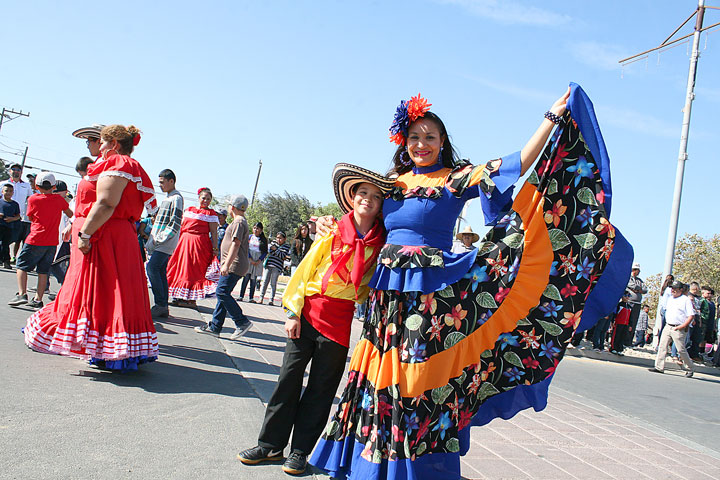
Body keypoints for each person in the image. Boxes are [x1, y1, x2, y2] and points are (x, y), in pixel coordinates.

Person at [309, 86, 633, 480]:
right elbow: (362, 221)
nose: (421, 144)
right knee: (379, 372)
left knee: (416, 378)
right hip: (386, 292)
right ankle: (369, 463)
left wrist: (549, 120)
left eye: (430, 137)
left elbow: (513, 164)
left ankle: (410, 468)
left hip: (431, 295)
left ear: (442, 142)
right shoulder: (391, 183)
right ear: (403, 142)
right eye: (414, 137)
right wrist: (330, 222)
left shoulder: (454, 179)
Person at [238, 166, 390, 475]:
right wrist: (293, 312)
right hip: (307, 313)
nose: (368, 200)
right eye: (362, 193)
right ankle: (270, 445)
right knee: (288, 379)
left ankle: (300, 451)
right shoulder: (332, 231)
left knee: (322, 387)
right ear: (352, 197)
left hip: (340, 320)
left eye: (376, 196)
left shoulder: (380, 243)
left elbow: (367, 286)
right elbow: (305, 271)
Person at [24, 124, 159, 371]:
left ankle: (110, 350)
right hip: (113, 235)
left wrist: (85, 233)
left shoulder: (119, 163)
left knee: (106, 291)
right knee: (108, 293)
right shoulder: (123, 165)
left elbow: (106, 203)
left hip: (107, 235)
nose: (99, 146)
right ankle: (109, 350)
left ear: (114, 144)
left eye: (103, 142)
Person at [8, 172, 73, 309]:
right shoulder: (59, 200)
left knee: (21, 266)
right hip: (52, 241)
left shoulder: (33, 199)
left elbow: (30, 217)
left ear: (37, 186)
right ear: (54, 186)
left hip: (35, 238)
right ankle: (38, 299)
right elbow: (70, 214)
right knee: (43, 271)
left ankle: (22, 294)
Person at [195, 195, 253, 339]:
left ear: (232, 207)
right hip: (233, 264)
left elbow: (236, 244)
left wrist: (226, 264)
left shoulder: (239, 222)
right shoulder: (238, 222)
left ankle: (241, 322)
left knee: (221, 292)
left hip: (234, 264)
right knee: (223, 294)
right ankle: (215, 326)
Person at [166, 187, 219, 306]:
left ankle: (191, 299)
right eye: (203, 198)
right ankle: (180, 296)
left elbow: (214, 232)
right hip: (184, 243)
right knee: (180, 268)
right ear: (199, 198)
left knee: (193, 271)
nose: (205, 201)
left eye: (208, 199)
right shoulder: (189, 210)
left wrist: (215, 248)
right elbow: (180, 226)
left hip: (199, 245)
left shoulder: (211, 214)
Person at [145, 169, 184, 318]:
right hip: (160, 241)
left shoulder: (176, 198)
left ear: (171, 181)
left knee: (152, 268)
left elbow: (175, 223)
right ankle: (162, 306)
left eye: (162, 182)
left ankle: (160, 304)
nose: (160, 185)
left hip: (165, 242)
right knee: (159, 271)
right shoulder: (169, 198)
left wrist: (160, 238)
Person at [650, 281, 695, 377]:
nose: (673, 290)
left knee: (680, 349)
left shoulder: (685, 300)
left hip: (678, 327)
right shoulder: (670, 299)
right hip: (668, 325)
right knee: (662, 346)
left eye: (675, 289)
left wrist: (682, 326)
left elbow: (691, 315)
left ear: (681, 290)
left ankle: (690, 368)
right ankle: (659, 366)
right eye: (672, 288)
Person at [0, 163, 33, 262]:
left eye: (18, 170)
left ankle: (7, 257)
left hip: (17, 218)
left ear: (21, 172)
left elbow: (31, 200)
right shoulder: (3, 184)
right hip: (2, 218)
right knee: (2, 240)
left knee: (13, 239)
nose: (16, 172)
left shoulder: (26, 185)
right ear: (10, 171)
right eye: (13, 169)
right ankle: (4, 259)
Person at [48, 180, 73, 288]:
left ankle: (64, 287)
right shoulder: (50, 202)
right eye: (54, 191)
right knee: (47, 263)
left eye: (58, 192)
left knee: (59, 264)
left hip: (64, 239)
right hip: (51, 236)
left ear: (65, 192)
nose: (55, 194)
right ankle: (45, 286)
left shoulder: (70, 204)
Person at [239, 222, 268, 302]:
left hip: (257, 260)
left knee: (253, 279)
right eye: (254, 228)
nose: (256, 230)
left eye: (257, 228)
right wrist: (250, 258)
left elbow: (265, 252)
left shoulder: (264, 240)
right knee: (246, 278)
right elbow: (245, 247)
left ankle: (251, 297)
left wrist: (259, 260)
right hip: (249, 259)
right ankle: (241, 296)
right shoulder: (249, 237)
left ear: (261, 230)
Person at [259, 231, 290, 306]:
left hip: (277, 266)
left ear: (284, 239)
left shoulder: (286, 246)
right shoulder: (273, 243)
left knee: (273, 283)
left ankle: (271, 299)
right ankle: (261, 297)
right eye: (277, 238)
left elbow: (282, 255)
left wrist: (276, 250)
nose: (278, 240)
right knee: (265, 282)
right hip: (269, 264)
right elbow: (270, 251)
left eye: (280, 238)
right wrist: (277, 251)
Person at [625, 262, 647, 347]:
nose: (637, 272)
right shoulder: (628, 278)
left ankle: (629, 341)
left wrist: (638, 290)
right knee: (627, 322)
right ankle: (624, 340)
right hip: (629, 302)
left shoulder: (640, 280)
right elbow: (632, 286)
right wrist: (637, 289)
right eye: (636, 270)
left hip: (637, 304)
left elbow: (645, 289)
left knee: (633, 323)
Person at [0, 183, 21, 269]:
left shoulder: (15, 204)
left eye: (10, 191)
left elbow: (18, 216)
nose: (8, 193)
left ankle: (6, 261)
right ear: (2, 191)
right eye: (6, 191)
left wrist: (12, 219)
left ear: (13, 193)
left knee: (5, 244)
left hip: (9, 227)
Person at [652, 274, 674, 350]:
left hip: (663, 309)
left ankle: (660, 344)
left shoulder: (664, 289)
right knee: (665, 328)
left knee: (663, 327)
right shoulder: (669, 290)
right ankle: (661, 344)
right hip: (666, 310)